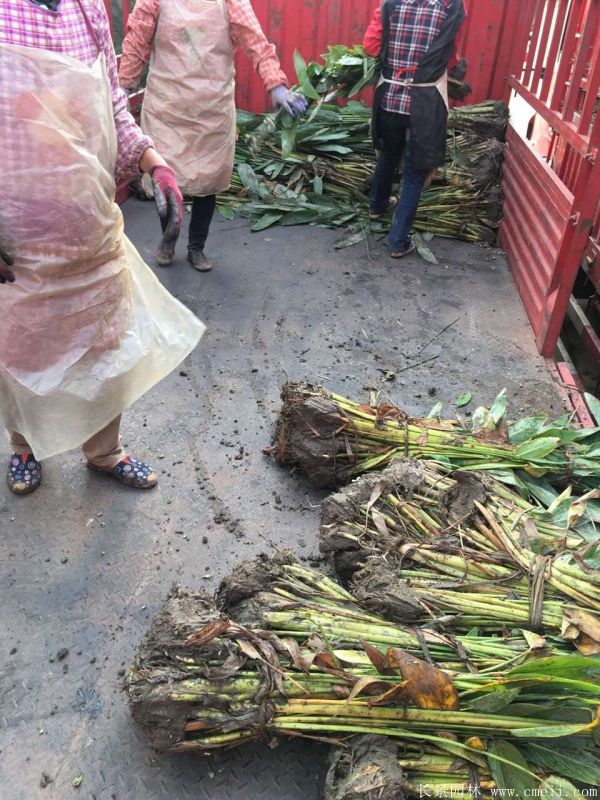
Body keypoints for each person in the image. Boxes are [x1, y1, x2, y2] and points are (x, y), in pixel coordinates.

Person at [0, 0, 205, 496]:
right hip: (16, 235)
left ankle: (105, 451)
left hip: (90, 219)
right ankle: (24, 447)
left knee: (105, 341)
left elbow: (112, 105)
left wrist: (154, 163)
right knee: (22, 347)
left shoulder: (87, 8)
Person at [118, 0, 307, 273]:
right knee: (165, 178)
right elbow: (137, 41)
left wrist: (276, 85)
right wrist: (123, 88)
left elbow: (255, 41)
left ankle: (196, 247)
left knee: (208, 181)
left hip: (212, 110)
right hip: (167, 109)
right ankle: (168, 237)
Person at [364, 0, 467, 258]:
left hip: (390, 98)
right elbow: (450, 58)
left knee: (388, 154)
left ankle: (376, 206)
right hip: (425, 105)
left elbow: (370, 47)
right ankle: (397, 241)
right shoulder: (450, 7)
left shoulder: (390, 3)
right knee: (414, 173)